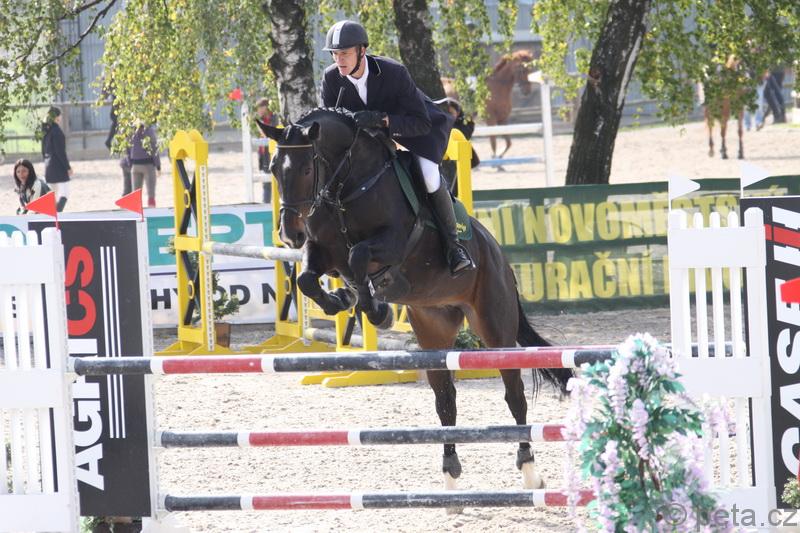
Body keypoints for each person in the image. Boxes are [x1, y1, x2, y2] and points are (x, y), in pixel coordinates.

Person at [320, 20, 474, 276]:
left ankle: (453, 246)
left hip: (416, 133)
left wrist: (383, 120)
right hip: (370, 141)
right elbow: (330, 123)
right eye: (335, 54)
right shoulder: (331, 78)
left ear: (361, 51)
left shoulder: (393, 72)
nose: (339, 60)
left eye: (344, 53)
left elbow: (421, 122)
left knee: (429, 177)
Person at [41, 106, 72, 212]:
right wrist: (68, 167)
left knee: (52, 195)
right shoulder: (57, 131)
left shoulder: (46, 131)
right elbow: (60, 152)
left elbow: (43, 151)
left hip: (48, 165)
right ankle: (58, 214)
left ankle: (53, 215)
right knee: (65, 193)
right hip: (58, 166)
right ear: (57, 117)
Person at [127, 121, 161, 207]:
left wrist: (130, 163)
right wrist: (158, 166)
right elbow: (154, 148)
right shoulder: (149, 131)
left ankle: (136, 213)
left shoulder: (130, 131)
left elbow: (127, 149)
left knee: (136, 195)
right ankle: (152, 211)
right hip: (148, 165)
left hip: (135, 165)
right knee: (151, 194)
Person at [254, 98, 275, 204]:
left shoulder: (274, 118)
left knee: (272, 182)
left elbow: (269, 134)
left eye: (260, 108)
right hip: (263, 155)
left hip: (272, 154)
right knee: (266, 183)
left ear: (265, 107)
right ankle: (266, 204)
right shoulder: (261, 120)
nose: (258, 111)